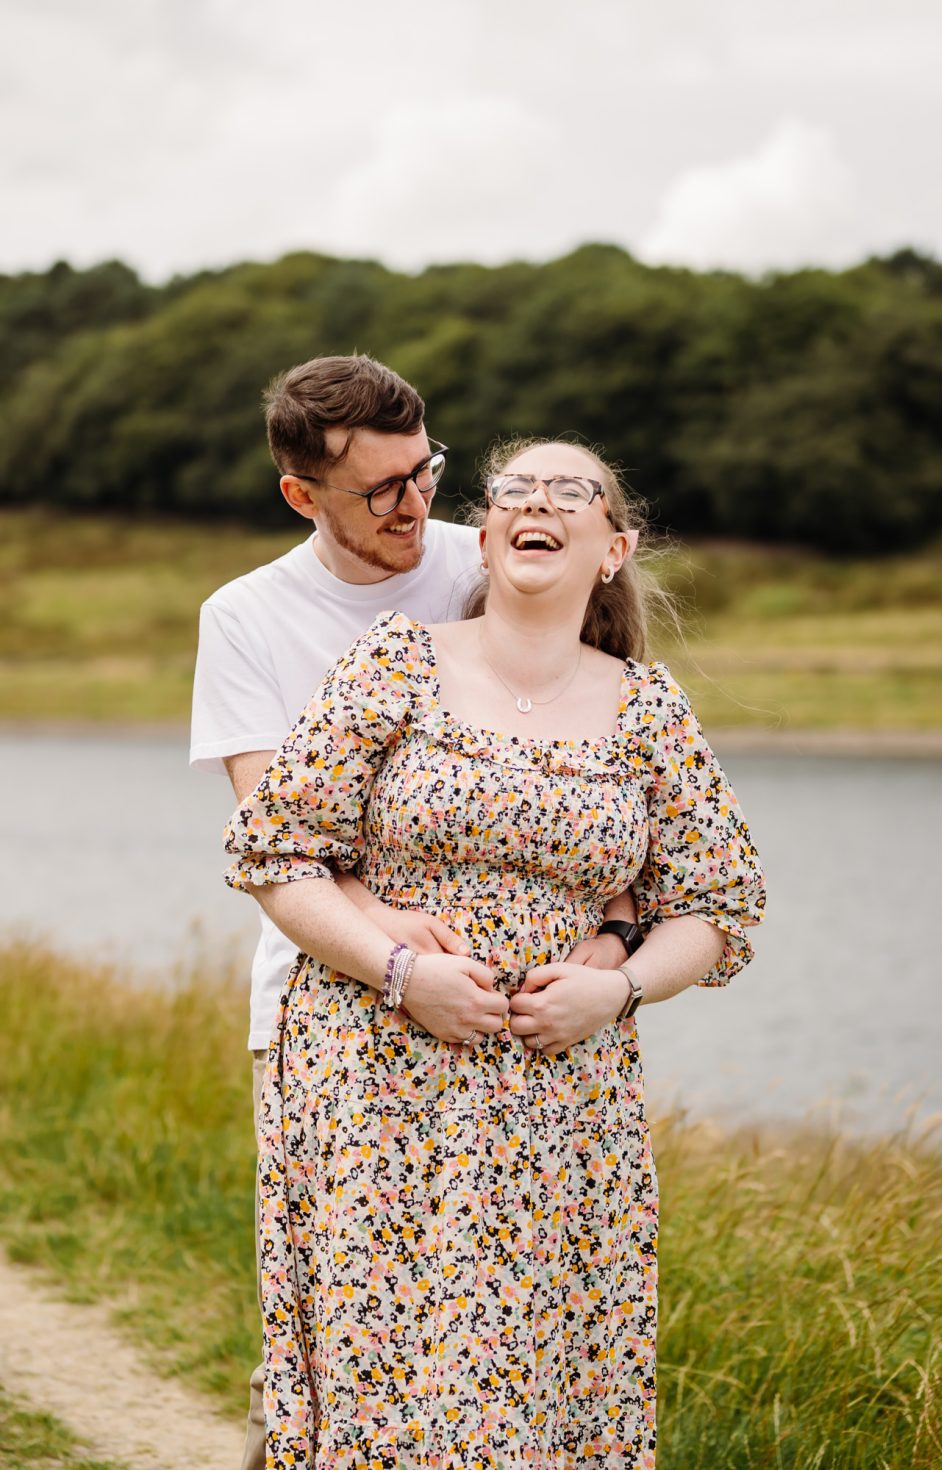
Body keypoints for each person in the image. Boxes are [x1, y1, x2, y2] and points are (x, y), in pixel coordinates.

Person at [223, 437, 766, 1469]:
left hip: (562, 1094)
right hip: (374, 1069)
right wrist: (399, 971)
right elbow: (274, 850)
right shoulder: (395, 662)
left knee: (539, 1379)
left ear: (613, 546)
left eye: (574, 492)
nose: (540, 502)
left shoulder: (647, 709)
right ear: (482, 538)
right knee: (380, 1375)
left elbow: (719, 904)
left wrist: (614, 990)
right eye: (515, 488)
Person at [190, 357, 639, 1470]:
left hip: (518, 1025)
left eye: (424, 469)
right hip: (332, 998)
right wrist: (397, 958)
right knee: (331, 1326)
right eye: (378, 489)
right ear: (303, 495)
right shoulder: (245, 619)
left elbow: (609, 746)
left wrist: (619, 929)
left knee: (512, 1326)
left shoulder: (479, 559)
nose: (414, 505)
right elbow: (279, 843)